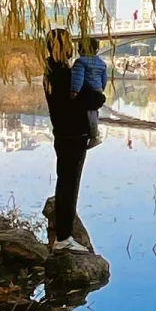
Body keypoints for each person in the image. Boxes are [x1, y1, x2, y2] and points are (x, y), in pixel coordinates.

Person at [43, 29, 101, 254]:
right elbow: (95, 98)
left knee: (64, 181)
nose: (71, 48)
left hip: (62, 134)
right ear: (62, 47)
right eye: (68, 44)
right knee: (70, 184)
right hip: (74, 135)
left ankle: (62, 233)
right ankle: (64, 237)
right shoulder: (66, 75)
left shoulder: (50, 72)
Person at [69, 37, 108, 147]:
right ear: (96, 50)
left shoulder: (80, 62)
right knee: (93, 112)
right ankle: (94, 134)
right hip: (97, 90)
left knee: (89, 113)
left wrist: (74, 91)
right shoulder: (101, 63)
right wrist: (101, 89)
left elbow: (78, 77)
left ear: (80, 50)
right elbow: (104, 78)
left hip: (87, 91)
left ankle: (94, 135)